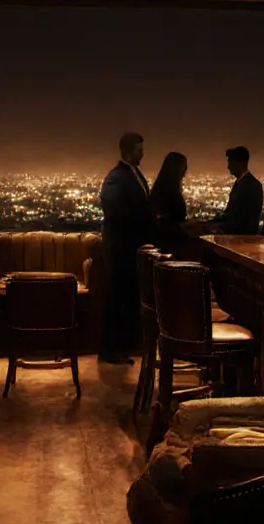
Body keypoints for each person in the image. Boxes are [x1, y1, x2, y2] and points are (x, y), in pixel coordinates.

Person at [98, 132, 155, 364]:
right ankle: (110, 349)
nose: (142, 154)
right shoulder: (116, 178)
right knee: (117, 299)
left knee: (127, 298)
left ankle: (123, 346)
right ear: (127, 150)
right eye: (138, 150)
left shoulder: (131, 174)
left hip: (129, 248)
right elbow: (115, 214)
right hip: (120, 249)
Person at [150, 152, 190, 254]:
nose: (185, 170)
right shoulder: (166, 191)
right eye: (183, 166)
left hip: (171, 241)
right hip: (168, 245)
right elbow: (162, 224)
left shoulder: (166, 189)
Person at [220, 146, 263, 235]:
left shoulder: (252, 186)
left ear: (240, 163)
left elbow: (244, 220)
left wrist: (218, 227)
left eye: (231, 162)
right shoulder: (242, 183)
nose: (228, 167)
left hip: (241, 238)